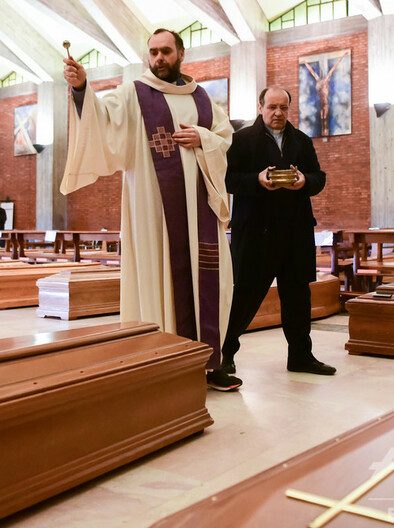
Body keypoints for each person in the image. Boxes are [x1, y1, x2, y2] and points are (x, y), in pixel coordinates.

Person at [62, 28, 241, 391]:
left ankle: (210, 363)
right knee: (159, 275)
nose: (158, 59)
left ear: (181, 54)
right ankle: (160, 357)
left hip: (200, 211)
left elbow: (225, 139)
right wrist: (82, 88)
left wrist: (202, 139)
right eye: (153, 52)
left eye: (166, 52)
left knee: (211, 280)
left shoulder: (203, 99)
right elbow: (102, 119)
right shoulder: (134, 93)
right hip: (153, 211)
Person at [221, 86, 335, 377]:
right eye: (272, 107)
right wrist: (257, 180)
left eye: (283, 108)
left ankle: (301, 356)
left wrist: (303, 181)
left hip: (295, 232)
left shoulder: (301, 140)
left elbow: (319, 178)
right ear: (260, 107)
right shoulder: (242, 140)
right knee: (244, 297)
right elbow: (228, 179)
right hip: (257, 233)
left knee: (298, 298)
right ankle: (224, 354)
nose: (278, 113)